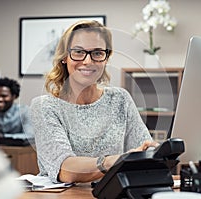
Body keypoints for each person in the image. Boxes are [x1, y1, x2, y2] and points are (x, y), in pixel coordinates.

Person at [30, 20, 158, 183]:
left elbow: (144, 152)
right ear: (64, 57)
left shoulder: (120, 99)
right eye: (78, 52)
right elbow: (66, 170)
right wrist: (114, 161)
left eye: (97, 53)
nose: (88, 62)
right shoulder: (45, 106)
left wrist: (154, 152)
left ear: (106, 57)